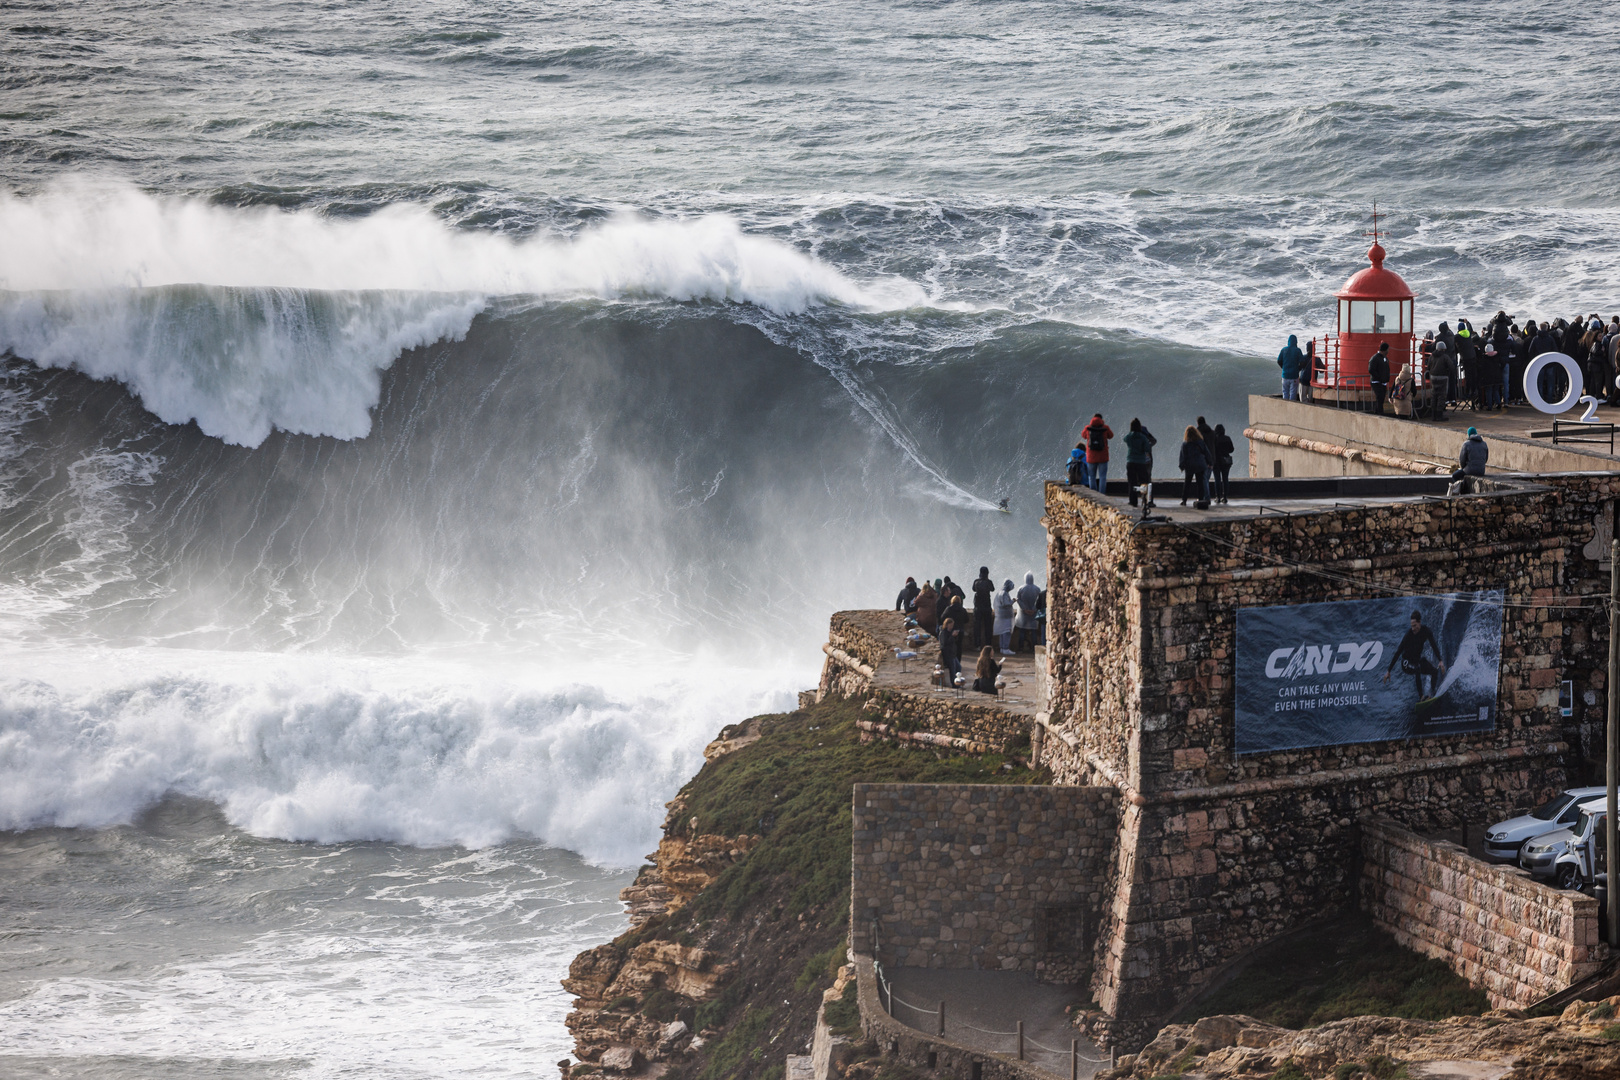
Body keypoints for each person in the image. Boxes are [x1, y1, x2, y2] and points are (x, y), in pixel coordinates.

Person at [1383, 610, 1447, 700]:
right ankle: (1421, 697)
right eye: (1411, 626)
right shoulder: (1408, 635)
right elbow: (1398, 652)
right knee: (1417, 668)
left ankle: (1432, 694)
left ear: (1419, 622)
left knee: (1434, 672)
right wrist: (1389, 671)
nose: (1413, 628)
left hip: (1417, 661)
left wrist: (1440, 660)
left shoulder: (1426, 631)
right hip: (1406, 663)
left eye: (1415, 625)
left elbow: (1434, 645)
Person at [1123, 418, 1156, 507]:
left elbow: (1124, 439)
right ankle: (1146, 500)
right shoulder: (1143, 437)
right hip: (1141, 462)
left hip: (1130, 461)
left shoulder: (1129, 436)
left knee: (1132, 482)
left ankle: (1133, 501)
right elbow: (1147, 448)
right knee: (1144, 482)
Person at [1178, 426, 1212, 507]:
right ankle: (1200, 499)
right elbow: (1206, 453)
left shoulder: (1185, 444)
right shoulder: (1200, 442)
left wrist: (1182, 466)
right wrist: (1210, 462)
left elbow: (1182, 455)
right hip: (1200, 464)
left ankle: (1184, 500)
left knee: (1187, 483)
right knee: (1200, 484)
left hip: (1190, 465)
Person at [1080, 413, 1113, 492]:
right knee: (1102, 476)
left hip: (1091, 457)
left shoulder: (1088, 428)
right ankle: (1102, 493)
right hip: (1103, 457)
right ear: (1101, 419)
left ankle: (1094, 493)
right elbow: (1111, 436)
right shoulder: (1105, 428)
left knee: (1091, 477)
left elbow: (1083, 435)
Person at [1013, 572, 1040, 653]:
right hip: (1034, 614)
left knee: (1022, 631)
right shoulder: (1037, 589)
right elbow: (1038, 600)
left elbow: (1018, 600)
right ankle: (1034, 649)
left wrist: (1025, 609)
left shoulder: (1021, 588)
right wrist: (1033, 609)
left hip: (1023, 615)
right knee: (1034, 632)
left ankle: (1020, 648)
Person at [1428, 337, 1455, 421]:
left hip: (1433, 377)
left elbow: (1428, 366)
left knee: (1434, 396)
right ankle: (1439, 415)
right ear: (1443, 349)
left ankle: (1433, 415)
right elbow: (1451, 367)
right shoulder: (1445, 357)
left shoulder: (1431, 356)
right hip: (1443, 378)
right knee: (1441, 396)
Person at [971, 566, 995, 650]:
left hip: (977, 607)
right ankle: (988, 645)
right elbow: (992, 589)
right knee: (988, 627)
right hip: (987, 607)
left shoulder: (976, 582)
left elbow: (973, 589)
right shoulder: (989, 582)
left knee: (977, 627)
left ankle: (977, 645)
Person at [1210, 423, 1235, 503]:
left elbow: (1212, 450)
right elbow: (1232, 449)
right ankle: (1225, 497)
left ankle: (1217, 497)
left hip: (1216, 462)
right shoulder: (1227, 438)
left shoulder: (1214, 439)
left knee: (1217, 479)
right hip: (1226, 462)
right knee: (1225, 479)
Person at [1277, 334, 1305, 400]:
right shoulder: (1298, 350)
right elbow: (1303, 362)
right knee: (1293, 393)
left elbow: (1278, 361)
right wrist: (1298, 369)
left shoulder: (1284, 350)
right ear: (1296, 342)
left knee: (1285, 393)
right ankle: (1291, 408)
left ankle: (1285, 408)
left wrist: (1283, 368)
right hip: (1294, 376)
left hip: (1285, 375)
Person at [993, 578, 1016, 656]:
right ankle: (1005, 648)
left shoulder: (1000, 592)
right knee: (1007, 631)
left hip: (1001, 615)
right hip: (1006, 616)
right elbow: (1006, 604)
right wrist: (1013, 601)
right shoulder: (1004, 593)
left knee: (1002, 632)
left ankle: (1002, 648)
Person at [1368, 341, 1392, 415]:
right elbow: (1371, 369)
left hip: (1383, 382)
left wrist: (1386, 378)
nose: (1388, 351)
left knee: (1381, 398)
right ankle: (1380, 413)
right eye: (1388, 349)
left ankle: (1377, 412)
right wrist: (1379, 378)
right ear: (1385, 350)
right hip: (1376, 382)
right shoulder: (1375, 358)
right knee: (1380, 397)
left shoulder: (1384, 358)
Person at [938, 617, 962, 682]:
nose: (952, 626)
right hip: (948, 654)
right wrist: (952, 636)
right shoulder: (943, 632)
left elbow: (954, 641)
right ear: (947, 624)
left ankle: (957, 681)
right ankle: (954, 684)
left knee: (958, 667)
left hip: (953, 653)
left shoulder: (951, 631)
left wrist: (955, 636)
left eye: (952, 625)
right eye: (951, 625)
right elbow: (944, 643)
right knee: (952, 670)